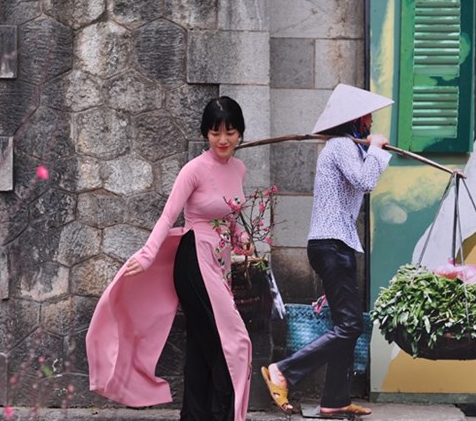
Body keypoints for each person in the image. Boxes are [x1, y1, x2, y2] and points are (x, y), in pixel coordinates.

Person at [86, 96, 255, 421]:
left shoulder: (239, 169)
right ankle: (225, 414)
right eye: (215, 132)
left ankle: (194, 415)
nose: (223, 140)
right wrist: (148, 255)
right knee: (231, 342)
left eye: (230, 132)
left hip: (219, 264)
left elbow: (230, 214)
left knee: (202, 346)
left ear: (240, 133)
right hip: (194, 261)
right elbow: (168, 217)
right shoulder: (194, 170)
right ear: (205, 133)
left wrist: (241, 238)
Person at [261, 83, 394, 416]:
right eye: (367, 116)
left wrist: (372, 151)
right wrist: (377, 150)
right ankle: (284, 371)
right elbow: (366, 181)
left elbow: (359, 181)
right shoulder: (340, 146)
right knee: (350, 325)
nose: (371, 122)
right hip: (331, 246)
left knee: (346, 324)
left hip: (336, 245)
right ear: (355, 119)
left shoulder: (347, 148)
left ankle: (334, 400)